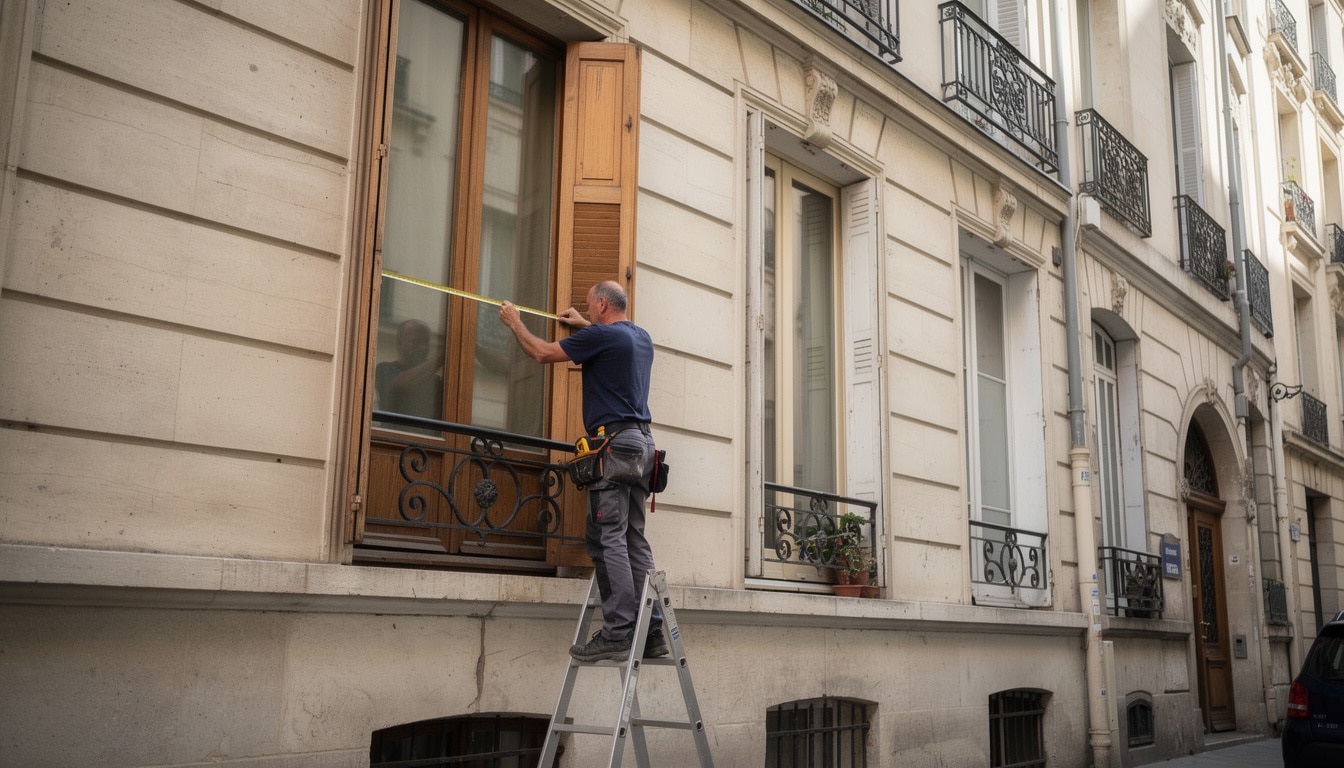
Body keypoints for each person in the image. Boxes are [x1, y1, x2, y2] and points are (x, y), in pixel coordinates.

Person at [498, 281, 665, 662]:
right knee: (633, 537)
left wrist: (514, 322)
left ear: (602, 304)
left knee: (608, 537)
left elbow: (541, 353)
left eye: (590, 307)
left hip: (615, 446)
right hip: (643, 446)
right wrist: (585, 326)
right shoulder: (641, 338)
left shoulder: (602, 337)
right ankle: (652, 631)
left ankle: (618, 632)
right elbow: (609, 339)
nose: (588, 312)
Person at [375, 318, 444, 419]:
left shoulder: (436, 381)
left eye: (426, 342)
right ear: (399, 343)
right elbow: (403, 384)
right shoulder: (384, 370)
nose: (423, 347)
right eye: (417, 341)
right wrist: (442, 355)